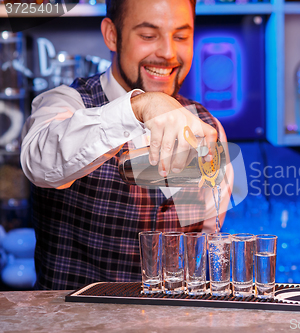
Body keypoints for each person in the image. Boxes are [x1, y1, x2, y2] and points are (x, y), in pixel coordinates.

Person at [20, 0, 233, 290]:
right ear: (111, 35)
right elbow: (40, 164)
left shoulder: (207, 125)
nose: (168, 53)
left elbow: (208, 242)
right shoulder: (65, 103)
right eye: (148, 35)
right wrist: (138, 107)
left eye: (181, 37)